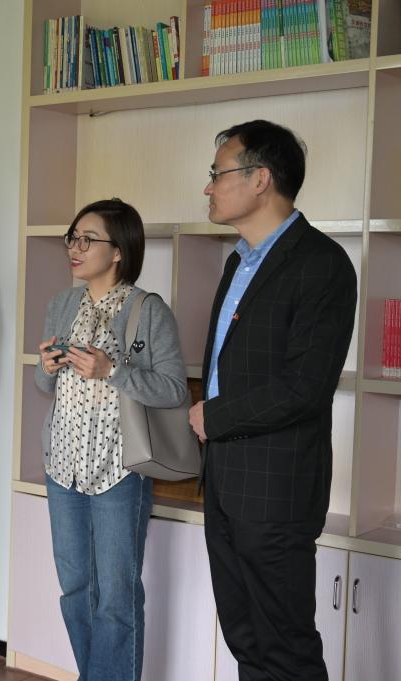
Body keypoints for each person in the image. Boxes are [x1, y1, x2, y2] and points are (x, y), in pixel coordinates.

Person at [189, 120, 357, 681]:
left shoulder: (321, 263)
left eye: (218, 173)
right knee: (245, 639)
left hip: (277, 490)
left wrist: (214, 416)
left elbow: (305, 386)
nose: (209, 186)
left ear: (260, 178)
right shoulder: (238, 260)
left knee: (285, 647)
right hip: (225, 480)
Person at [34, 198, 188, 681]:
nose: (75, 248)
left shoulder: (148, 309)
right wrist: (46, 367)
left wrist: (113, 370)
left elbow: (174, 390)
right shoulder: (62, 304)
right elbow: (44, 385)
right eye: (72, 238)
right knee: (76, 590)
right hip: (62, 467)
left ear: (118, 250)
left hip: (119, 470)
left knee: (116, 598)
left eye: (88, 239)